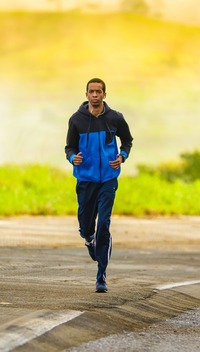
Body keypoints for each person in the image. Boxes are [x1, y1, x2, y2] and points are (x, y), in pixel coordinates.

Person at [65, 78, 133, 293]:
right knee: (87, 227)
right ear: (86, 95)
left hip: (108, 180)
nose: (95, 95)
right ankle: (88, 238)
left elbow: (128, 141)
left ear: (105, 94)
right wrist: (72, 157)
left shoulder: (115, 118)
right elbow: (69, 147)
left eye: (99, 91)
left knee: (104, 223)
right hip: (86, 179)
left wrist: (122, 156)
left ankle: (101, 275)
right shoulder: (76, 120)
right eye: (91, 91)